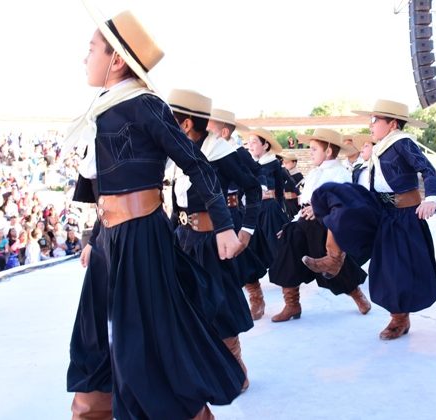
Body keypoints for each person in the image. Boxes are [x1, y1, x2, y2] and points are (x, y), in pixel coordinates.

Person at [65, 5, 245, 419]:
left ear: (116, 59)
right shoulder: (104, 108)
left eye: (92, 48)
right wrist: (96, 238)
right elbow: (108, 186)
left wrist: (224, 225)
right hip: (112, 239)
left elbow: (196, 164)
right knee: (93, 339)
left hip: (142, 238)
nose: (85, 55)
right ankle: (91, 409)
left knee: (144, 348)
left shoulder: (145, 105)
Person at [306, 99, 436, 340]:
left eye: (375, 119)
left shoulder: (402, 143)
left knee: (395, 269)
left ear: (392, 124)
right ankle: (334, 258)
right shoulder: (380, 148)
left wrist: (431, 197)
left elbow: (427, 169)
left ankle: (399, 318)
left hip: (402, 214)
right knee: (338, 202)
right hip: (382, 211)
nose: (371, 124)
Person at [169, 90, 261, 392]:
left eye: (169, 117)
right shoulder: (175, 152)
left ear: (185, 124)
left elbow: (252, 187)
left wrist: (246, 230)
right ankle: (202, 369)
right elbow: (176, 203)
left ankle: (236, 369)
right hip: (183, 240)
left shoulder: (219, 151)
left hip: (212, 242)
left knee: (219, 306)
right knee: (187, 307)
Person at [269, 128, 370, 322]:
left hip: (324, 225)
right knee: (287, 251)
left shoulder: (340, 173)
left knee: (331, 265)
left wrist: (319, 209)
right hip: (304, 221)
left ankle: (357, 294)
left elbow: (342, 202)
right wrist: (293, 222)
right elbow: (305, 203)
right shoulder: (315, 173)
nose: (310, 152)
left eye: (314, 149)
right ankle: (292, 304)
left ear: (329, 151)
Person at [207, 108, 268, 321]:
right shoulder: (205, 149)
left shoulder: (236, 152)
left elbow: (256, 173)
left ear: (223, 132)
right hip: (211, 213)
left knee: (241, 258)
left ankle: (255, 295)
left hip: (231, 210)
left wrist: (260, 189)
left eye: (210, 125)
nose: (205, 128)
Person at [243, 128, 288, 320]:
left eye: (254, 142)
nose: (250, 145)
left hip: (270, 211)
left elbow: (279, 190)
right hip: (252, 212)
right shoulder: (247, 163)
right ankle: (257, 300)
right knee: (247, 253)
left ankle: (291, 302)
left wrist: (279, 210)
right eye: (249, 142)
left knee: (280, 252)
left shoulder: (273, 164)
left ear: (265, 145)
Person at [279, 152, 303, 220]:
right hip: (284, 203)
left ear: (294, 163)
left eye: (287, 162)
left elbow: (305, 189)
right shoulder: (283, 173)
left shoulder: (298, 175)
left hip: (293, 205)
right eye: (284, 162)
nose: (285, 164)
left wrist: (297, 195)